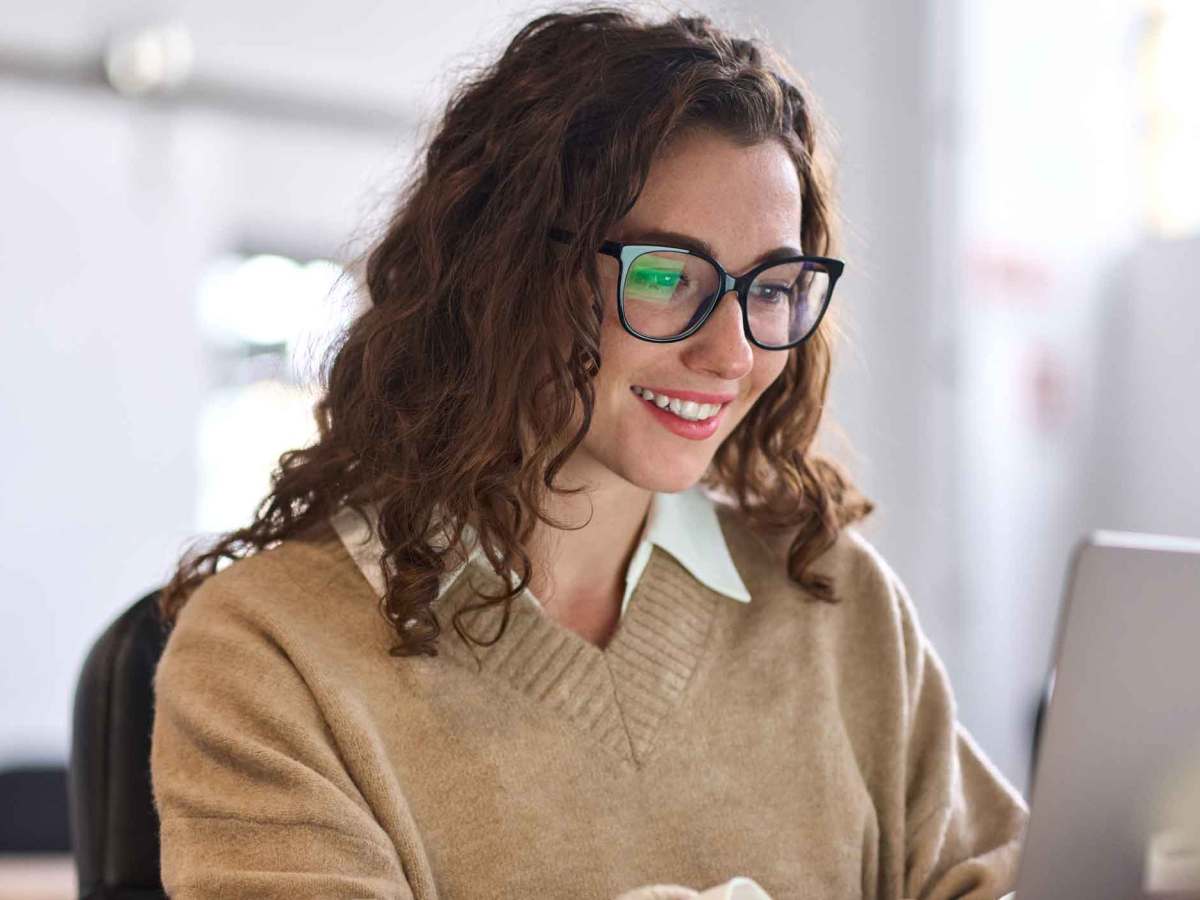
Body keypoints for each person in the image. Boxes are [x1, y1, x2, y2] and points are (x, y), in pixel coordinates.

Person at [149, 7, 1029, 899]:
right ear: (504, 272)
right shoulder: (270, 655)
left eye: (771, 287)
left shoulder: (839, 605)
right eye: (662, 275)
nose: (731, 354)